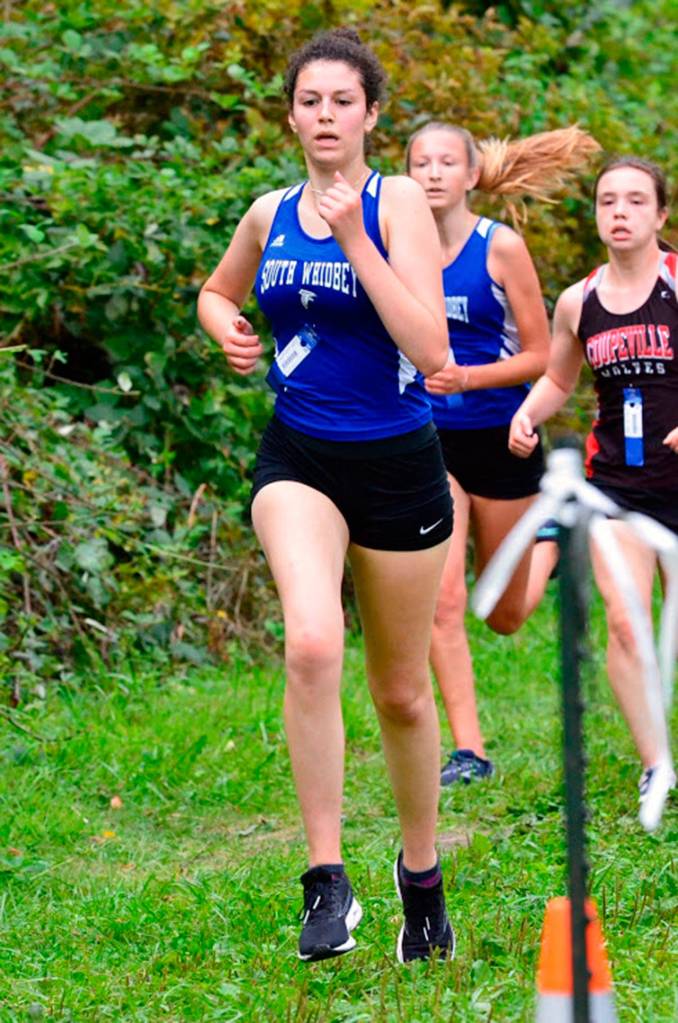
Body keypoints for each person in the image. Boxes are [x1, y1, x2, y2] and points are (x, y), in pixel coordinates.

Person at [198, 29, 456, 963]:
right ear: (292, 116)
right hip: (299, 455)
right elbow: (216, 292)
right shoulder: (268, 212)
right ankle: (325, 879)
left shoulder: (399, 204)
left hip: (398, 464)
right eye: (309, 101)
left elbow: (432, 350)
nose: (325, 116)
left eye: (343, 101)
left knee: (401, 692)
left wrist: (355, 239)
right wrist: (225, 326)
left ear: (371, 114)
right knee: (311, 641)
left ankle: (421, 879)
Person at [406, 123, 597, 785]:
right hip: (428, 439)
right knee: (442, 600)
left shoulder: (500, 247)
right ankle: (470, 751)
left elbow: (544, 356)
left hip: (500, 436)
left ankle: (552, 540)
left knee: (505, 615)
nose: (433, 173)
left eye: (446, 162)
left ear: (470, 176)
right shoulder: (391, 248)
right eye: (421, 163)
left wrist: (468, 378)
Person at [509, 155, 678, 814]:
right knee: (627, 622)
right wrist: (528, 413)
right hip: (616, 489)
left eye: (635, 200)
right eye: (608, 201)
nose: (620, 212)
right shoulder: (579, 302)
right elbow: (559, 377)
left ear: (660, 214)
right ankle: (656, 764)